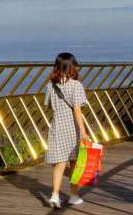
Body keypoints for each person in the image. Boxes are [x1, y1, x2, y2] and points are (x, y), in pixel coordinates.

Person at [45, 52, 91, 209]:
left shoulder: (51, 85)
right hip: (72, 129)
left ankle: (55, 195)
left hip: (57, 127)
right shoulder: (76, 85)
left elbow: (49, 106)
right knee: (74, 164)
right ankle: (73, 195)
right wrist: (84, 133)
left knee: (60, 164)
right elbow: (78, 111)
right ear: (71, 67)